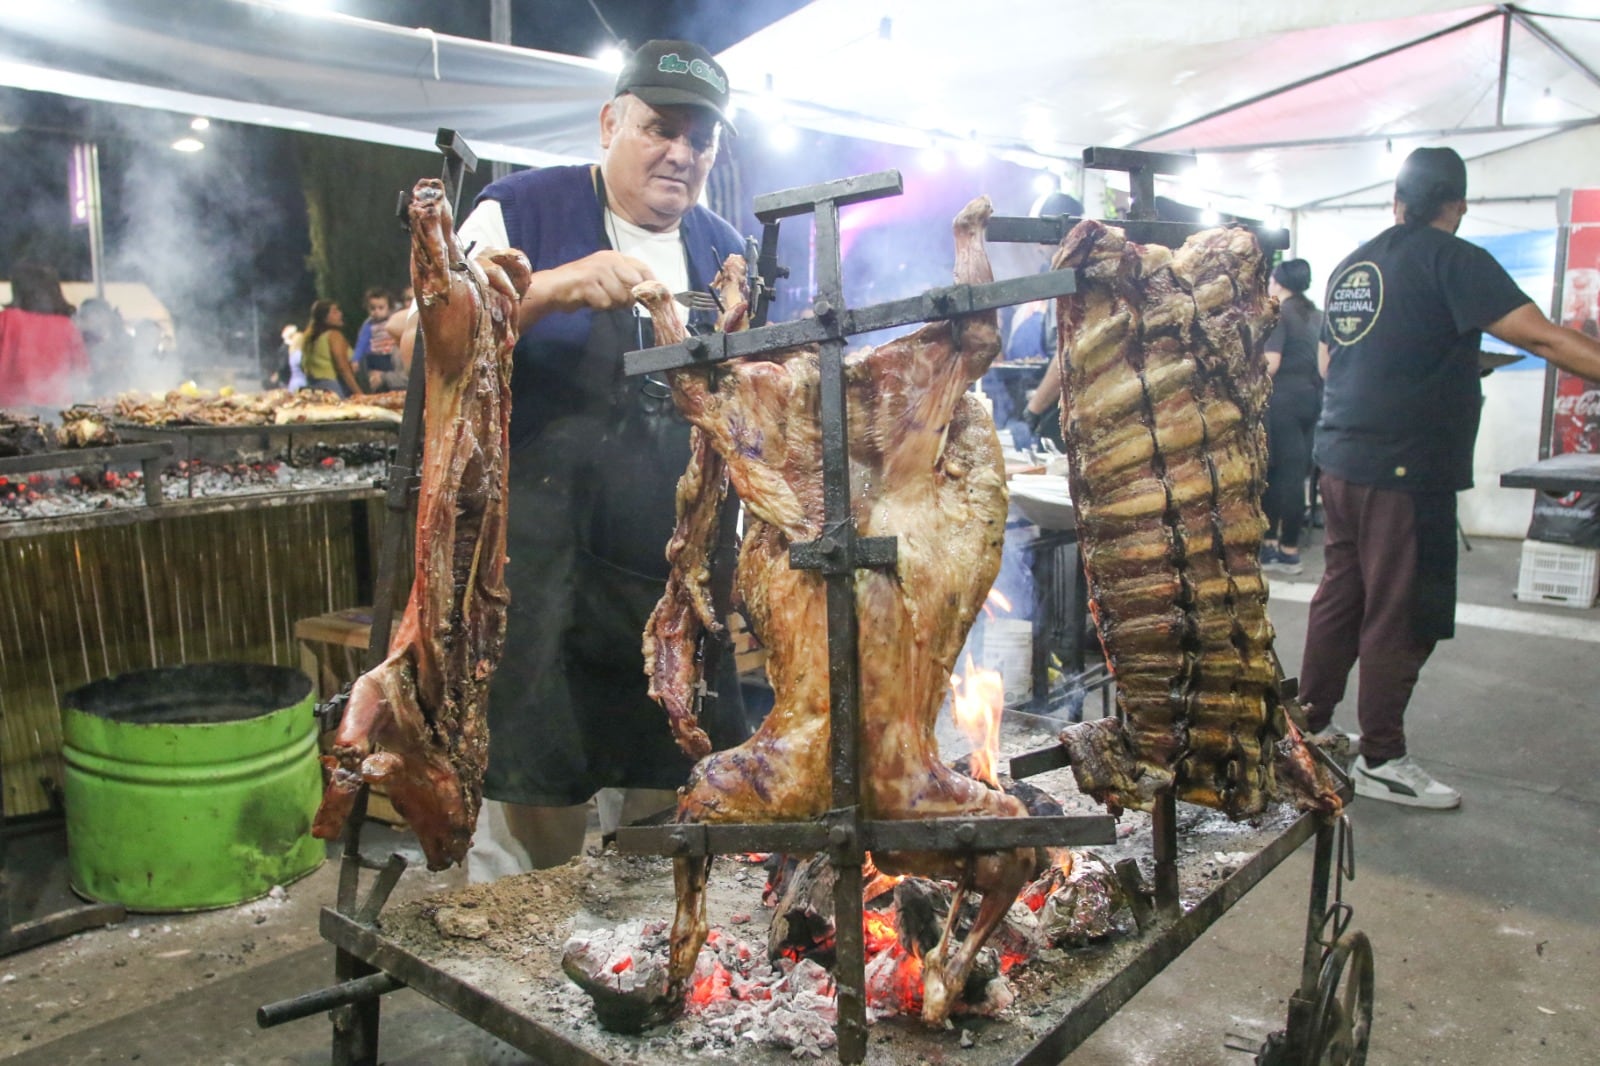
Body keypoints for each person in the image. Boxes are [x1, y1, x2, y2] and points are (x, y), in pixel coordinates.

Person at [442, 40, 749, 879]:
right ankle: (511, 978)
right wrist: (555, 286)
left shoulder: (726, 249)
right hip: (542, 574)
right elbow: (423, 338)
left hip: (671, 583)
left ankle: (641, 967)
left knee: (660, 805)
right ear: (611, 122)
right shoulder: (520, 212)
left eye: (700, 138)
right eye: (659, 129)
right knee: (534, 804)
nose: (680, 153)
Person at [1300, 147, 1600, 809]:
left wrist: (1453, 364)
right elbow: (1545, 339)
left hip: (1343, 460)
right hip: (1406, 470)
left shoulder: (1356, 264)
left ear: (1397, 200)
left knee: (1342, 598)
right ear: (1457, 205)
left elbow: (1333, 364)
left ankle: (1308, 727)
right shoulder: (1454, 257)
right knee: (1403, 613)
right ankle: (1382, 757)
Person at [1259, 259, 1323, 575]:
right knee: (1292, 473)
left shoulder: (1280, 314)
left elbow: (1271, 363)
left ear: (1279, 283)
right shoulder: (1315, 315)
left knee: (1280, 475)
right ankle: (1275, 545)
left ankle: (1285, 551)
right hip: (1311, 400)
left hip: (1282, 400)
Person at [0, 262, 89, 408]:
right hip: (57, 412)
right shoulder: (66, 326)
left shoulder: (6, 320)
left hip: (8, 414)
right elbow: (81, 373)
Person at [300, 298, 361, 396]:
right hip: (333, 388)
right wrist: (359, 392)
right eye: (335, 312)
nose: (340, 314)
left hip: (313, 387)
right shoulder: (334, 336)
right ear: (324, 317)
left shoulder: (308, 338)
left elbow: (303, 365)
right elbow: (343, 368)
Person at [353, 286, 399, 390]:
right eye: (372, 308)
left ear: (389, 308)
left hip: (391, 356)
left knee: (390, 381)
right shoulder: (369, 325)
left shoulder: (393, 320)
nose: (376, 312)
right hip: (375, 357)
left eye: (381, 308)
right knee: (376, 382)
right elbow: (361, 343)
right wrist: (356, 359)